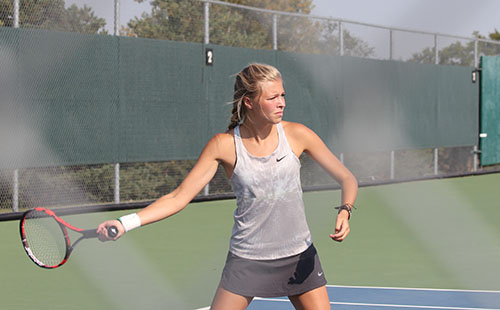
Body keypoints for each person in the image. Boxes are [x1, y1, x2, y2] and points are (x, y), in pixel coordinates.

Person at [97, 63, 358, 310]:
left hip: (299, 256)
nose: (282, 103)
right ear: (249, 102)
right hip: (247, 260)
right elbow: (178, 197)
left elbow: (347, 178)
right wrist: (125, 222)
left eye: (282, 95)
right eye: (272, 98)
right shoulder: (223, 145)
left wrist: (345, 210)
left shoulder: (297, 134)